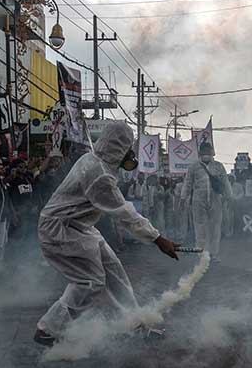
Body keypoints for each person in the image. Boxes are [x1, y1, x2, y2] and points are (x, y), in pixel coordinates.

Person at [34, 121, 178, 347]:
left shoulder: (93, 160)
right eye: (128, 147)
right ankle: (48, 329)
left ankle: (135, 326)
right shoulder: (99, 174)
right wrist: (158, 239)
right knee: (90, 281)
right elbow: (125, 213)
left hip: (80, 226)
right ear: (119, 147)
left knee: (115, 272)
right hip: (60, 229)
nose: (131, 153)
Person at [182, 142, 231, 261]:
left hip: (215, 199)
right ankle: (202, 255)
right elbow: (188, 183)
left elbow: (225, 182)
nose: (206, 154)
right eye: (204, 151)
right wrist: (183, 198)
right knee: (200, 227)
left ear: (212, 152)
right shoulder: (193, 167)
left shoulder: (219, 166)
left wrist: (229, 196)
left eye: (208, 151)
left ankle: (213, 254)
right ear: (200, 153)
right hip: (198, 199)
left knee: (215, 227)